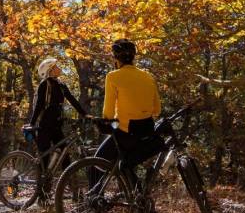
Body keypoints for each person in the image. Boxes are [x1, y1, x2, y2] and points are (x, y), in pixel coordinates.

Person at [95, 39, 164, 186]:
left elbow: (108, 111)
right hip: (146, 131)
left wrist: (107, 122)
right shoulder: (148, 76)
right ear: (133, 57)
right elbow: (157, 109)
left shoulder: (113, 76)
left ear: (116, 58)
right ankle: (137, 200)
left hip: (125, 132)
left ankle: (94, 205)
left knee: (97, 163)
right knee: (126, 164)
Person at [27, 57, 86, 201]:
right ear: (50, 70)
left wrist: (85, 114)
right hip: (44, 126)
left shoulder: (61, 84)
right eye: (56, 66)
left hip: (57, 125)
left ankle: (74, 194)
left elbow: (72, 99)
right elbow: (39, 106)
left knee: (65, 157)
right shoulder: (44, 85)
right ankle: (42, 196)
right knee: (44, 160)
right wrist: (31, 123)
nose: (59, 68)